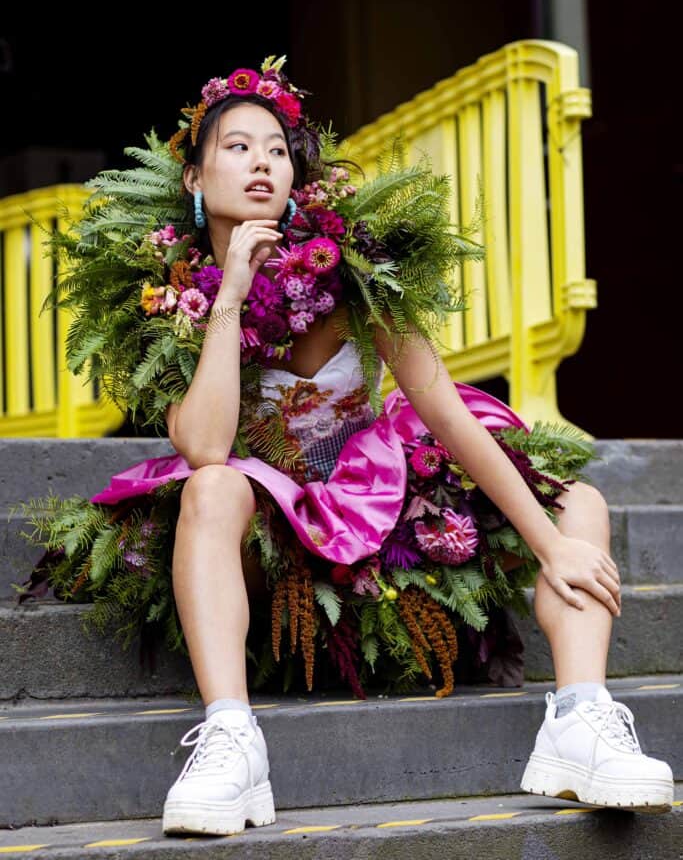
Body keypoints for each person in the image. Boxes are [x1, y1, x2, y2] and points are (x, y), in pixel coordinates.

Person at [17, 55, 674, 836]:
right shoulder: (166, 291)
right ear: (193, 177)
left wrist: (547, 541)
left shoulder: (349, 272)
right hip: (270, 526)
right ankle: (232, 740)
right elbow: (205, 445)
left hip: (378, 498)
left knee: (583, 506)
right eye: (236, 146)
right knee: (210, 487)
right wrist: (228, 292)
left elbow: (445, 412)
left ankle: (579, 718)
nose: (261, 161)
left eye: (276, 148)